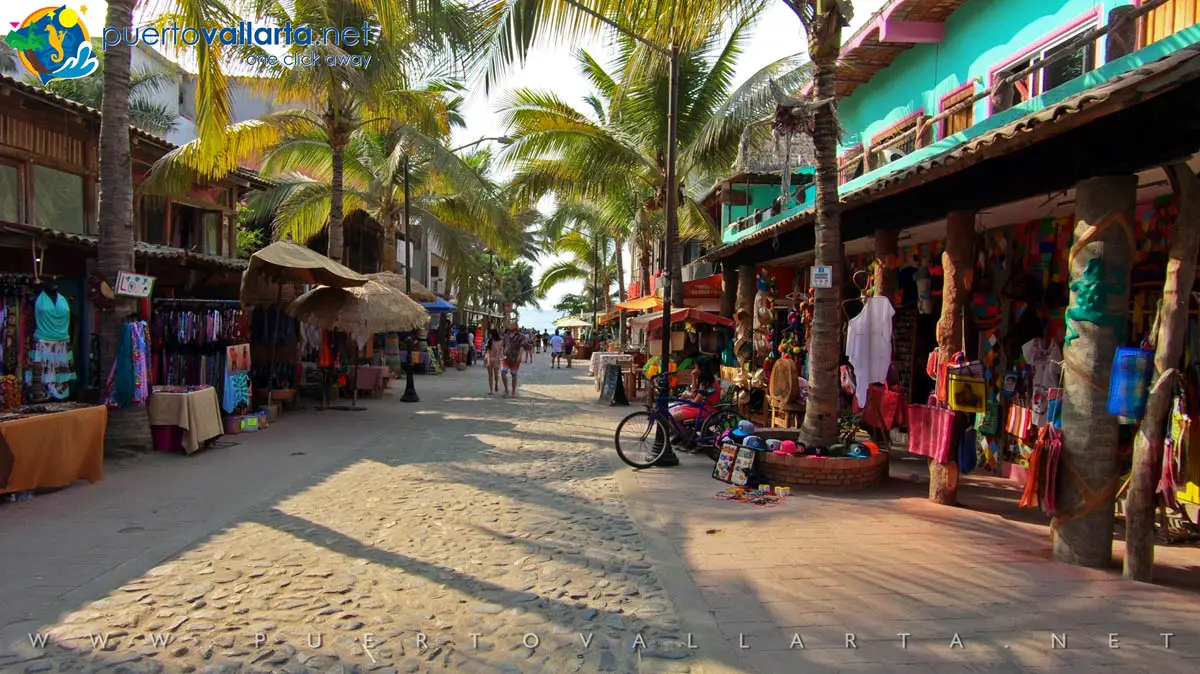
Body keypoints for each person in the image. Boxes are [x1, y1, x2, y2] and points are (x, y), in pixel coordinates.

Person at [669, 357, 721, 427]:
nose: (695, 370)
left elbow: (696, 401)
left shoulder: (708, 383)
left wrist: (683, 405)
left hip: (707, 410)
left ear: (701, 369)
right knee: (675, 410)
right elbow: (694, 394)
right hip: (702, 407)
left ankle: (686, 435)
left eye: (696, 368)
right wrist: (693, 377)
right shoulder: (706, 380)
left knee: (672, 417)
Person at [500, 323, 525, 397]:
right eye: (510, 325)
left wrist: (520, 356)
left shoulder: (521, 336)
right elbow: (502, 345)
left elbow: (522, 346)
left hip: (515, 358)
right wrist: (501, 354)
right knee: (503, 372)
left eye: (513, 325)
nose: (511, 326)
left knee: (514, 375)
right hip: (506, 357)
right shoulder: (506, 335)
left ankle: (513, 392)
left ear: (517, 326)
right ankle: (506, 390)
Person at [483, 329, 502, 395]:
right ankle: (491, 390)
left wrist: (499, 359)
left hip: (497, 359)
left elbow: (500, 352)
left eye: (490, 334)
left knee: (496, 375)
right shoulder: (489, 341)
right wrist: (487, 360)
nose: (489, 335)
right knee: (490, 375)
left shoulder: (500, 342)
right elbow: (487, 351)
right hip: (490, 359)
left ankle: (496, 383)